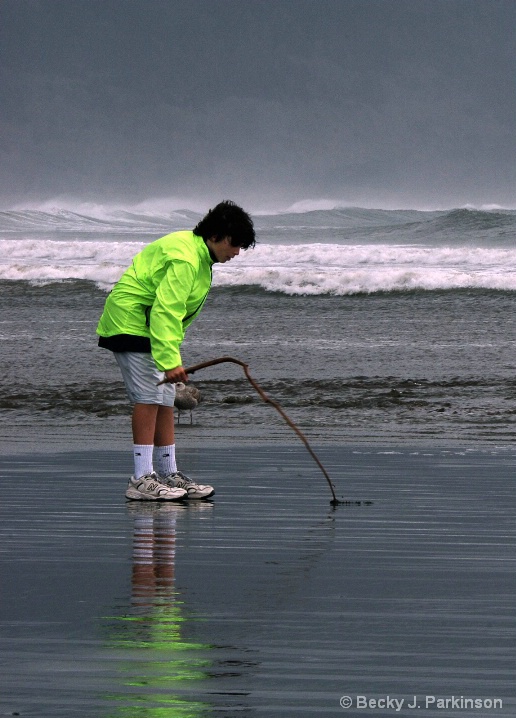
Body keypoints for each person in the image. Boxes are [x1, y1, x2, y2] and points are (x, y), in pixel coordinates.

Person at [97, 200, 256, 501]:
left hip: (146, 325)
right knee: (149, 396)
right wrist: (171, 362)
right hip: (131, 321)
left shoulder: (199, 255)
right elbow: (165, 312)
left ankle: (169, 474)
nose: (237, 253)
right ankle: (141, 479)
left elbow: (174, 316)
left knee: (165, 397)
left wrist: (172, 361)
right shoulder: (186, 259)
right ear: (218, 236)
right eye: (236, 245)